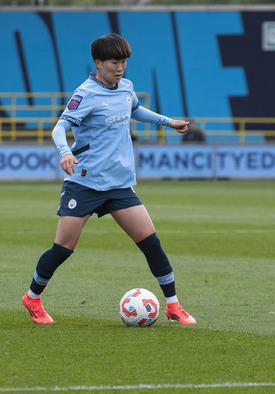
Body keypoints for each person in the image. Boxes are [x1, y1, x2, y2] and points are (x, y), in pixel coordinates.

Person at [22, 33, 196, 325]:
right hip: (85, 183)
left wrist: (169, 122)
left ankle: (173, 305)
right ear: (98, 62)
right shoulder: (85, 94)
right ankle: (33, 297)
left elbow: (135, 109)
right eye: (114, 62)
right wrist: (65, 152)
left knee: (151, 243)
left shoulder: (126, 87)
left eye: (124, 62)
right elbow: (59, 127)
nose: (120, 67)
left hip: (119, 185)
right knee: (63, 249)